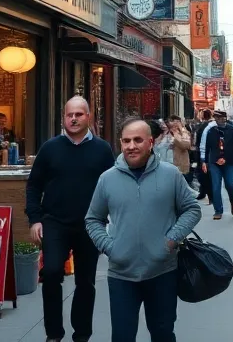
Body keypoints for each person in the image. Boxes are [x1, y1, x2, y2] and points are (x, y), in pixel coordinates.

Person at [85, 117, 202, 342]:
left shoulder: (170, 175)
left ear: (150, 142)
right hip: (121, 274)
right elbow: (93, 219)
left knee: (162, 333)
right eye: (126, 141)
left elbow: (191, 210)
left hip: (162, 272)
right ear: (120, 143)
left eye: (138, 140)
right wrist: (110, 247)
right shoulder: (107, 179)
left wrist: (171, 240)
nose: (132, 146)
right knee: (122, 336)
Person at [25, 97, 115, 342]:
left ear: (89, 117)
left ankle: (82, 334)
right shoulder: (50, 148)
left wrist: (112, 222)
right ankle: (54, 334)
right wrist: (35, 219)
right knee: (52, 272)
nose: (73, 119)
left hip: (90, 224)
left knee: (86, 282)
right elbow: (34, 186)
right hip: (54, 221)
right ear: (63, 117)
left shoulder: (103, 149)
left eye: (79, 114)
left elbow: (114, 186)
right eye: (69, 115)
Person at [204, 109, 233, 220]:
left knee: (231, 185)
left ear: (225, 118)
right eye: (217, 118)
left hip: (229, 162)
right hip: (214, 162)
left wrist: (226, 158)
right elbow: (206, 148)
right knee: (216, 187)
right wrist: (204, 161)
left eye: (221, 118)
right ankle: (218, 210)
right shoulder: (210, 131)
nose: (219, 120)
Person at [193, 109, 214, 203]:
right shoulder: (210, 125)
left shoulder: (204, 126)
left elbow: (198, 141)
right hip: (207, 153)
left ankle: (210, 195)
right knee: (205, 175)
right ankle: (204, 193)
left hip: (204, 153)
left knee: (204, 175)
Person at [166, 116, 194, 186]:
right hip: (166, 165)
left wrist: (177, 134)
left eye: (177, 123)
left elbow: (186, 145)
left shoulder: (184, 133)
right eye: (173, 123)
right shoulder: (165, 133)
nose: (175, 126)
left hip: (180, 166)